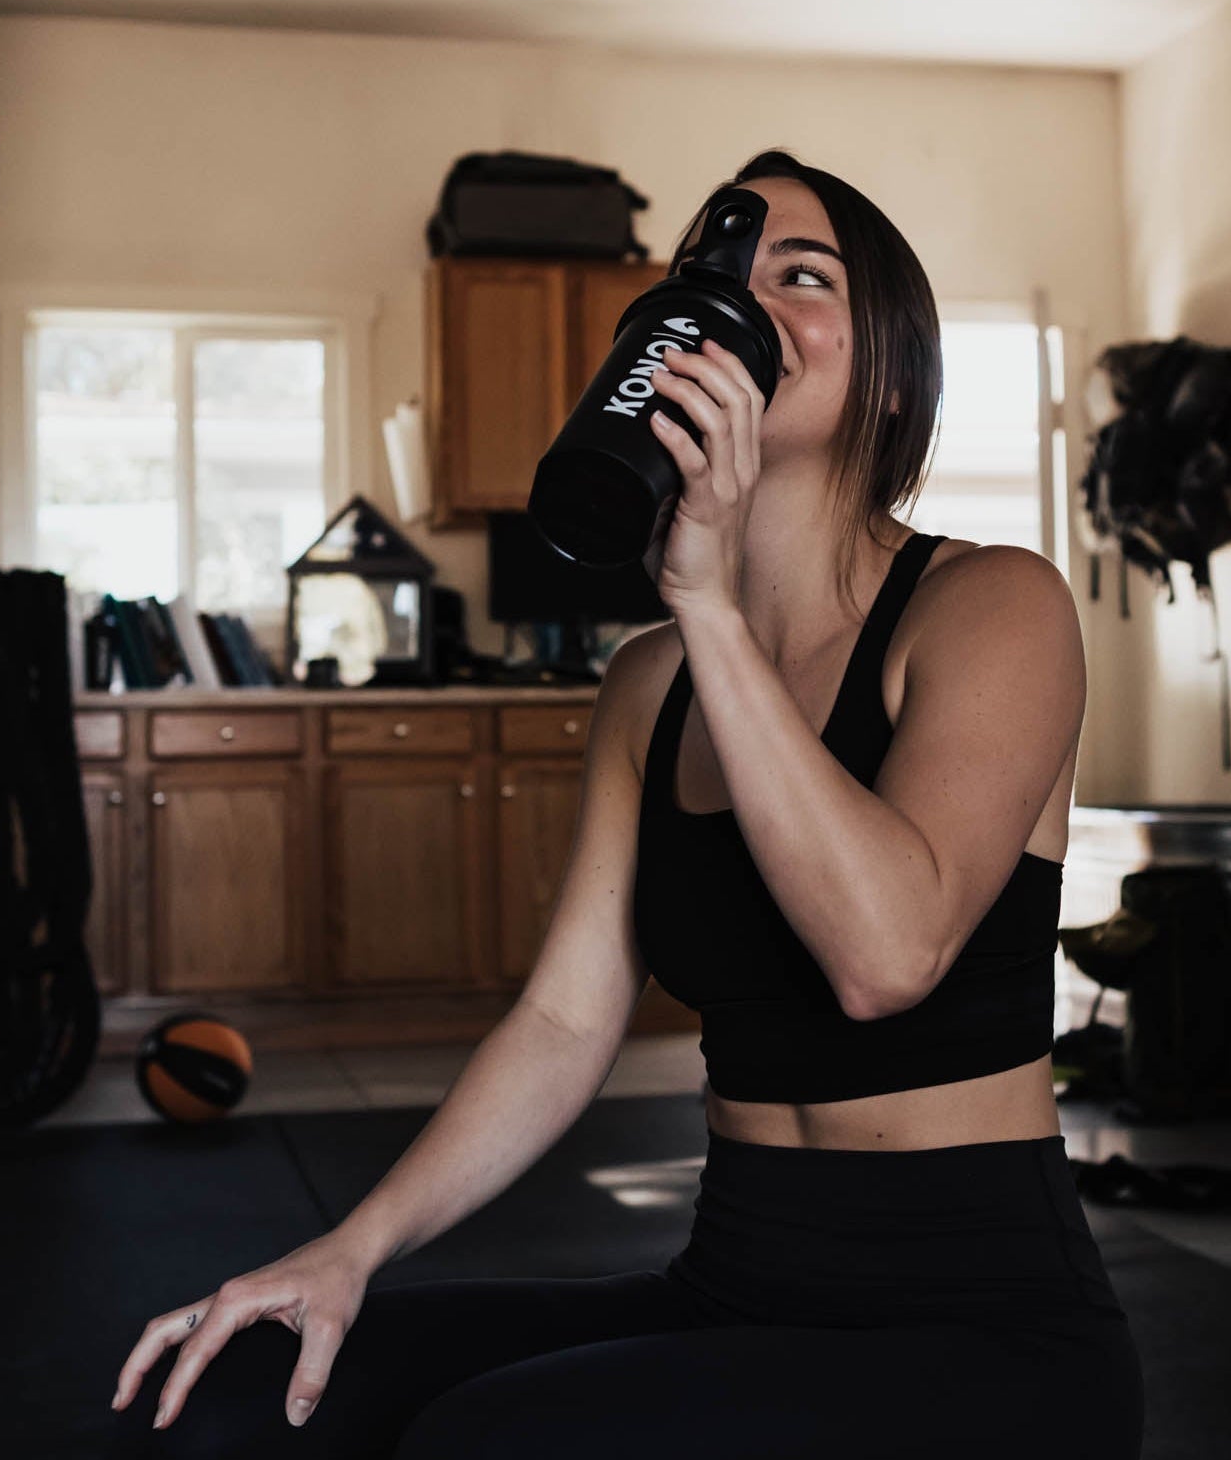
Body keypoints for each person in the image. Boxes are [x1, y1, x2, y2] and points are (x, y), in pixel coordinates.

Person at [108, 149, 1144, 1456]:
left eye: (803, 274)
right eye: (718, 271)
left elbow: (888, 956)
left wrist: (704, 598)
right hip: (733, 1285)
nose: (743, 297)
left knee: (488, 1444)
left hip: (981, 1329)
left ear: (886, 371)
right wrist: (349, 1248)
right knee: (234, 1401)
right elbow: (560, 1017)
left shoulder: (993, 605)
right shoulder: (648, 684)